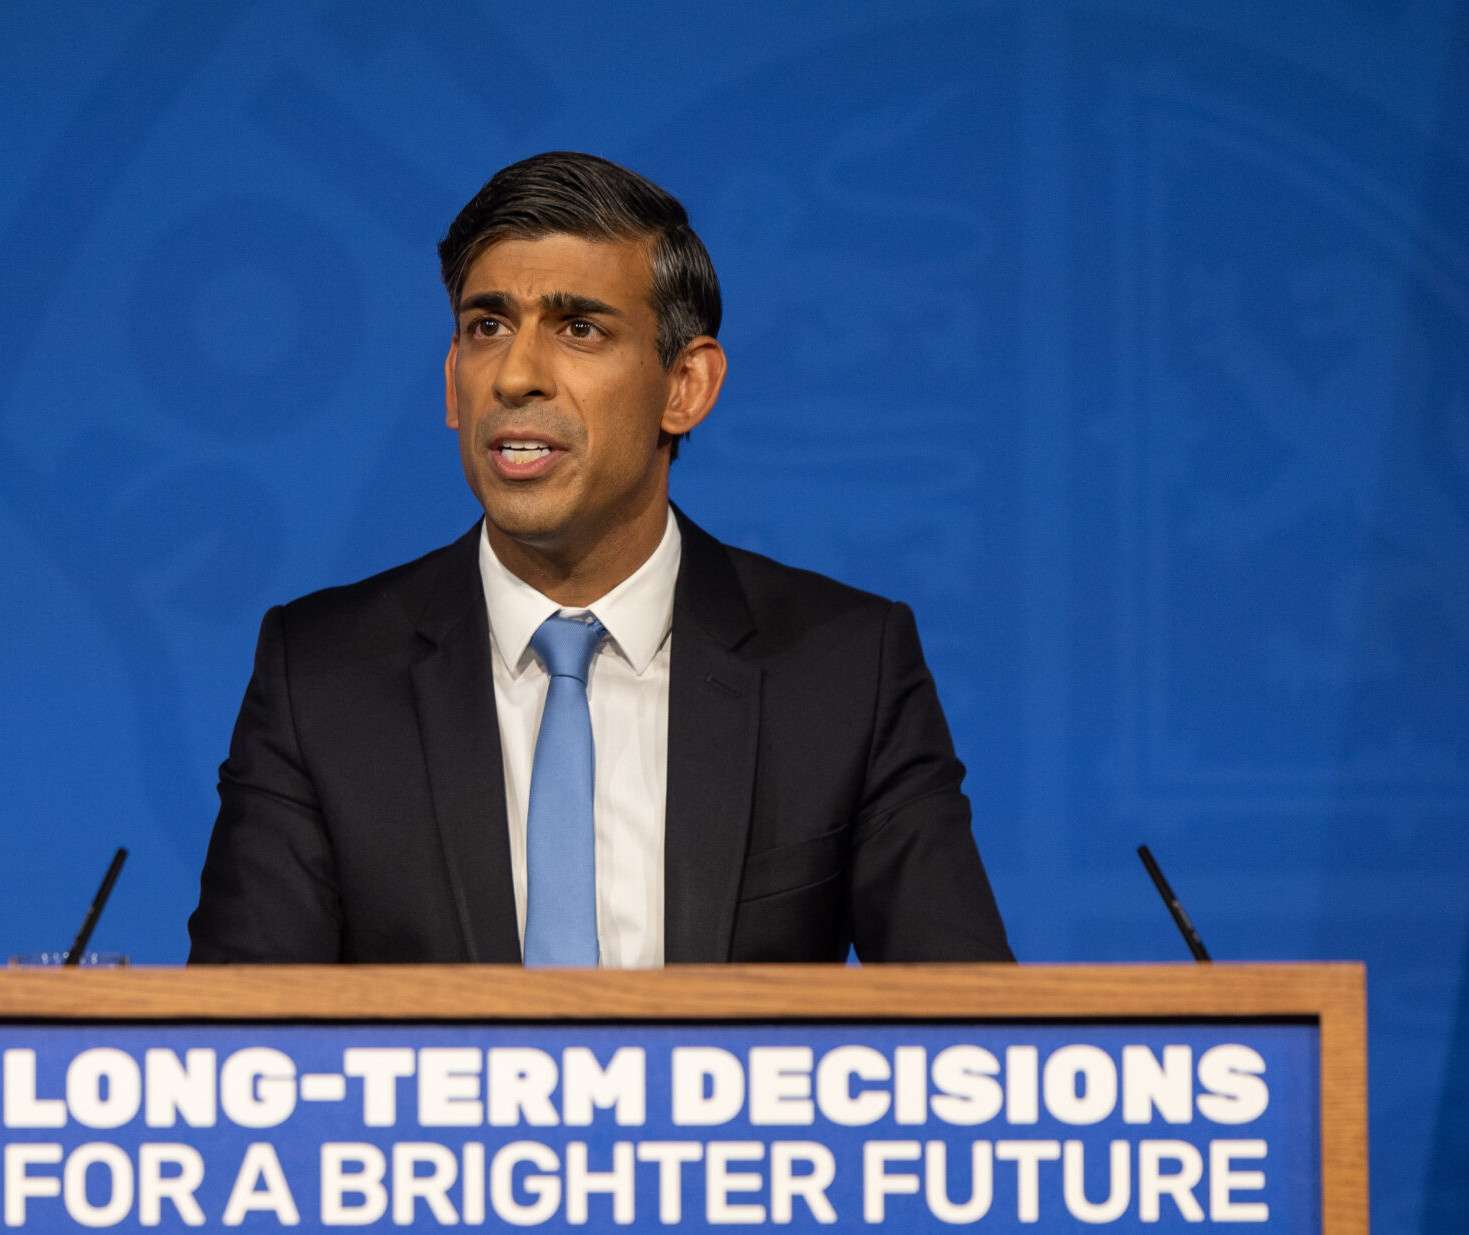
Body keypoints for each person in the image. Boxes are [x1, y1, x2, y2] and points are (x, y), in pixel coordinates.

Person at [188, 152, 1011, 967]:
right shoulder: (320, 677)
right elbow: (233, 1057)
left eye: (579, 328)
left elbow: (975, 1037)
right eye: (487, 327)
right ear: (451, 383)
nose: (514, 375)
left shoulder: (844, 669)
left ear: (685, 387)